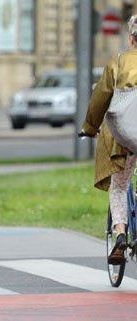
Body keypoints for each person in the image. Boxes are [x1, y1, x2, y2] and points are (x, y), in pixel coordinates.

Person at [80, 15, 137, 265]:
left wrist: (90, 127)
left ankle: (121, 233)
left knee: (120, 186)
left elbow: (100, 98)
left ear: (131, 37)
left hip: (125, 138)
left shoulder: (118, 63)